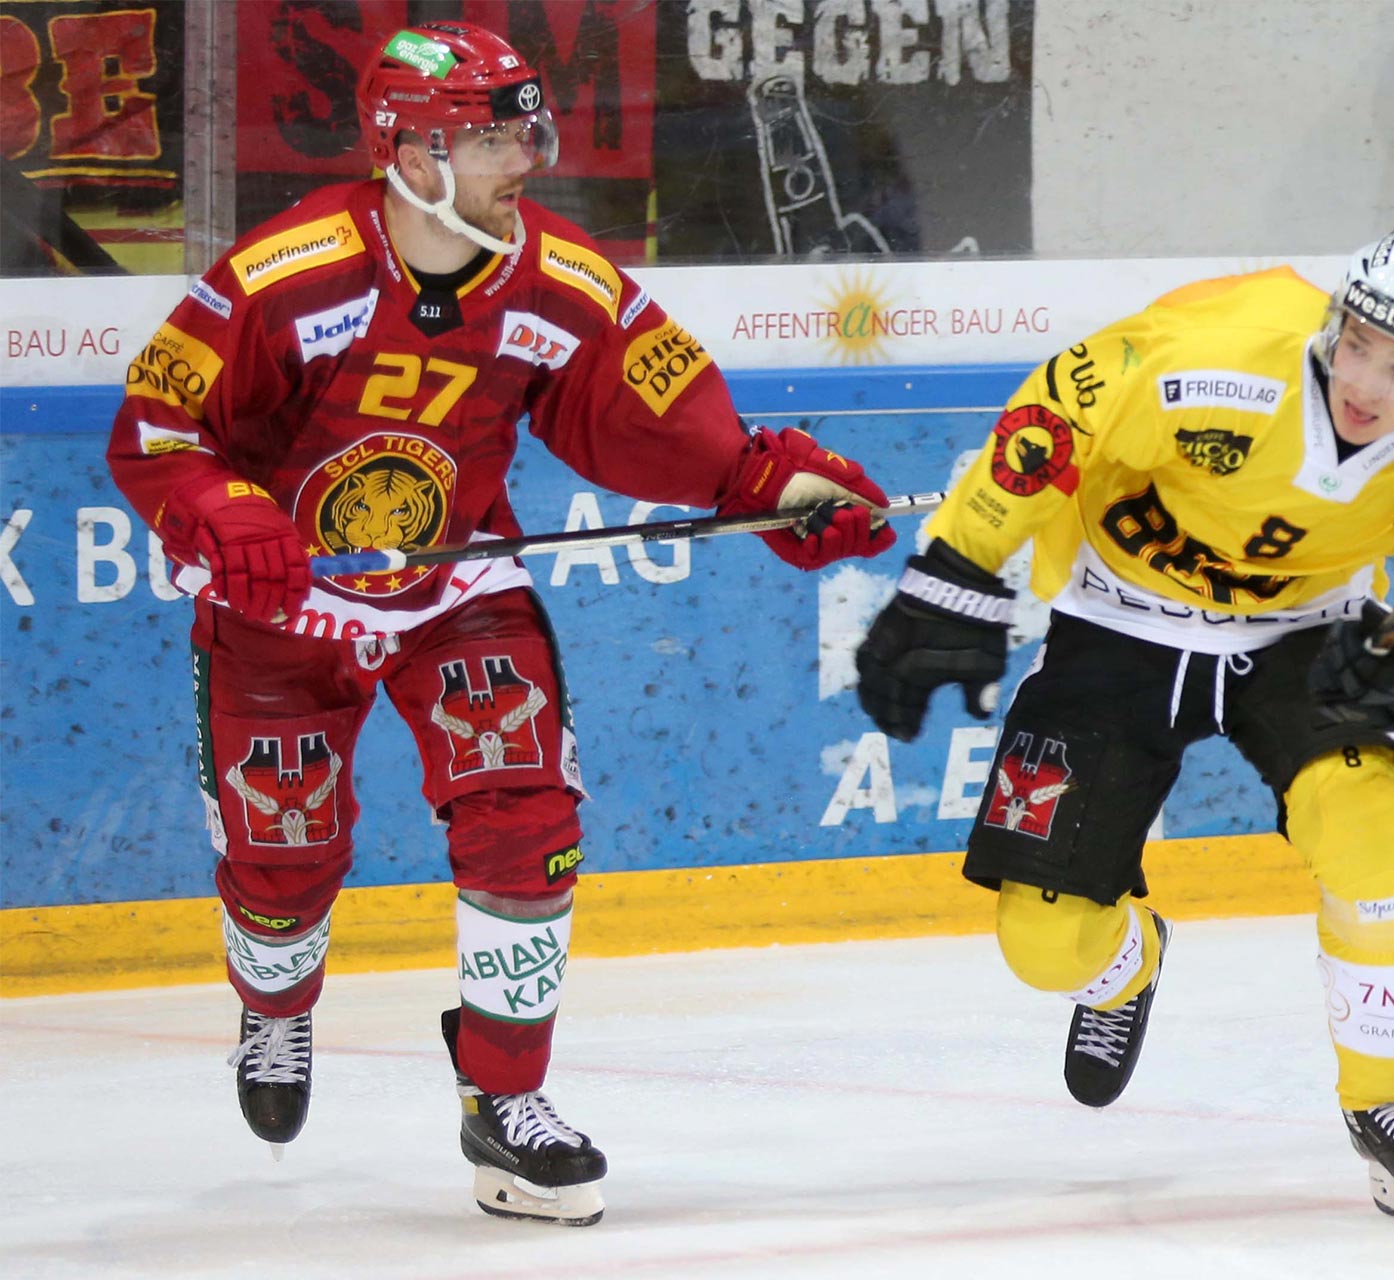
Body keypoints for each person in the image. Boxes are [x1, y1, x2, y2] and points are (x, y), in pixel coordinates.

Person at [106, 21, 895, 1227]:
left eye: (528, 133)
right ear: (410, 154)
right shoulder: (283, 276)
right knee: (282, 863)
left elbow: (667, 422)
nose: (524, 159)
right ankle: (274, 1005)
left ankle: (506, 1099)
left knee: (529, 823)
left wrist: (773, 486)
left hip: (458, 584)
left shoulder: (563, 281)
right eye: (491, 141)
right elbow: (158, 431)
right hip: (283, 605)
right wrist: (225, 511)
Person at [855, 224, 1394, 1227]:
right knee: (1044, 947)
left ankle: (1385, 1098)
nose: (1365, 383)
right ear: (1335, 321)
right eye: (1359, 343)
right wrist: (957, 574)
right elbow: (1059, 412)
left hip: (1308, 636)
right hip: (1120, 619)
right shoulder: (1219, 357)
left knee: (1369, 834)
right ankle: (1129, 962)